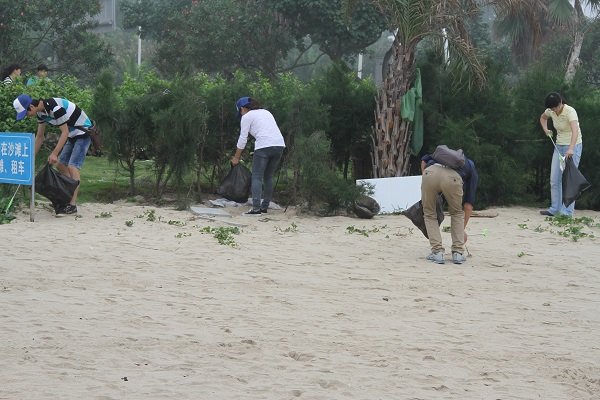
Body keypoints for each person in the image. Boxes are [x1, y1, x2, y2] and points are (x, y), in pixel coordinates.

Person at [13, 94, 95, 216]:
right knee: (61, 165)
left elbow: (64, 132)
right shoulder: (40, 113)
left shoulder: (55, 108)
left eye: (26, 113)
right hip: (72, 134)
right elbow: (40, 137)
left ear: (31, 106)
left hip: (83, 132)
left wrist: (54, 153)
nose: (27, 116)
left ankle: (72, 205)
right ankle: (68, 194)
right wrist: (31, 158)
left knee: (73, 166)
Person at [420, 147, 479, 265]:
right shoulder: (470, 167)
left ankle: (437, 253)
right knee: (457, 213)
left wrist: (424, 175)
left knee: (429, 213)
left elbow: (424, 160)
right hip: (453, 179)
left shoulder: (440, 156)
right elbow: (468, 205)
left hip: (430, 172)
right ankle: (458, 253)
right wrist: (461, 232)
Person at [231, 96, 285, 215]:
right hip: (279, 145)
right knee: (268, 177)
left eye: (240, 111)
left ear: (243, 108)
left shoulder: (246, 116)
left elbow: (242, 139)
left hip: (264, 146)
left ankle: (256, 209)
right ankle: (264, 207)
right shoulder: (266, 112)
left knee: (257, 177)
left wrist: (236, 157)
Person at [539, 92, 583, 217]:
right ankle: (555, 209)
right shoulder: (550, 111)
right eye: (551, 108)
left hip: (573, 147)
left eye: (555, 107)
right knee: (554, 179)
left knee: (569, 179)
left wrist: (571, 148)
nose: (554, 110)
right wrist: (546, 129)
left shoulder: (570, 111)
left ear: (561, 103)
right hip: (558, 146)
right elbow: (542, 118)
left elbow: (575, 131)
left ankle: (567, 212)